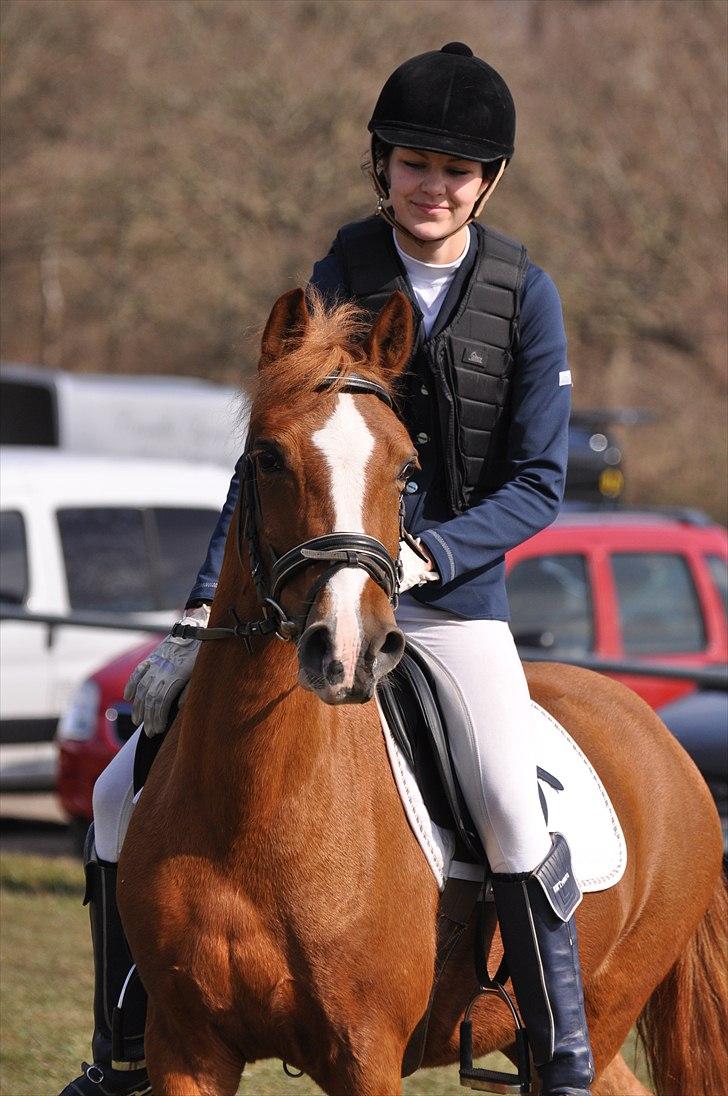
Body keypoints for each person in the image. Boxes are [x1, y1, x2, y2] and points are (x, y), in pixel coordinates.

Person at [62, 43, 594, 1096]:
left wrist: (427, 550)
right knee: (124, 789)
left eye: (454, 169)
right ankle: (123, 1045)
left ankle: (559, 1048)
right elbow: (267, 456)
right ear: (381, 168)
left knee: (505, 798)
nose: (431, 185)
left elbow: (538, 481)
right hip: (301, 594)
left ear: (486, 181)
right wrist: (197, 603)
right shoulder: (338, 274)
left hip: (450, 600)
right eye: (412, 163)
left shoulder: (525, 296)